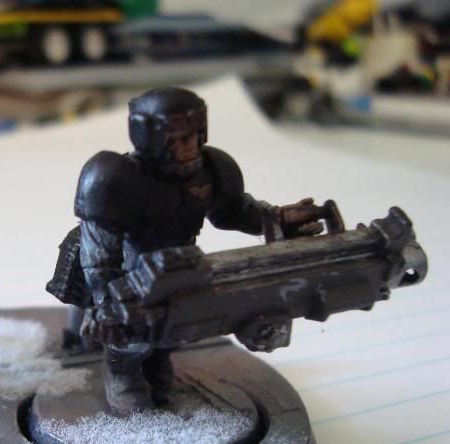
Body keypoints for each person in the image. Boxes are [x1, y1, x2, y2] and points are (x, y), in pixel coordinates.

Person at [74, 87, 324, 411]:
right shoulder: (115, 178)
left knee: (178, 321)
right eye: (178, 139)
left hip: (184, 260)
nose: (189, 146)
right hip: (132, 263)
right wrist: (106, 298)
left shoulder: (213, 168)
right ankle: (123, 373)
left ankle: (158, 363)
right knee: (133, 329)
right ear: (149, 137)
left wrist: (276, 219)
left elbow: (234, 212)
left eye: (193, 136)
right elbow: (99, 251)